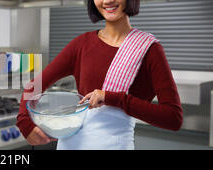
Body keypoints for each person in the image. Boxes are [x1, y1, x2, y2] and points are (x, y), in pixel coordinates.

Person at [16, 0, 183, 150]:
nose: (108, 1)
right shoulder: (82, 44)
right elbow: (34, 85)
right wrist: (25, 122)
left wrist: (113, 98)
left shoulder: (149, 49)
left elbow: (173, 118)